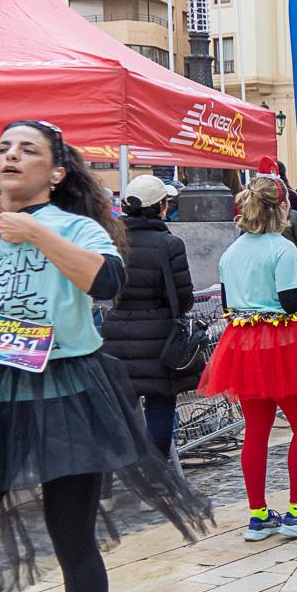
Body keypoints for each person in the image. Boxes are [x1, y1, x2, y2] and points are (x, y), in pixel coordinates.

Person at [0, 121, 212, 592]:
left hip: (66, 393)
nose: (11, 156)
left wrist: (36, 233)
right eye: (3, 149)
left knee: (72, 535)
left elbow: (106, 281)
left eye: (28, 149)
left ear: (56, 172)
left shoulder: (75, 227)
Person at [201, 174, 297, 539]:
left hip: (243, 345)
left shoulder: (232, 252)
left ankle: (259, 514)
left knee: (256, 432)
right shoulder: (282, 248)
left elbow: (229, 302)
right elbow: (290, 300)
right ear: (281, 209)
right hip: (281, 341)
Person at [101, 175, 199, 456]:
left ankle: (122, 467)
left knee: (123, 407)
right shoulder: (169, 244)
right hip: (159, 335)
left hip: (117, 331)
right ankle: (154, 471)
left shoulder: (113, 242)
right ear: (160, 206)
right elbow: (182, 297)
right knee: (160, 405)